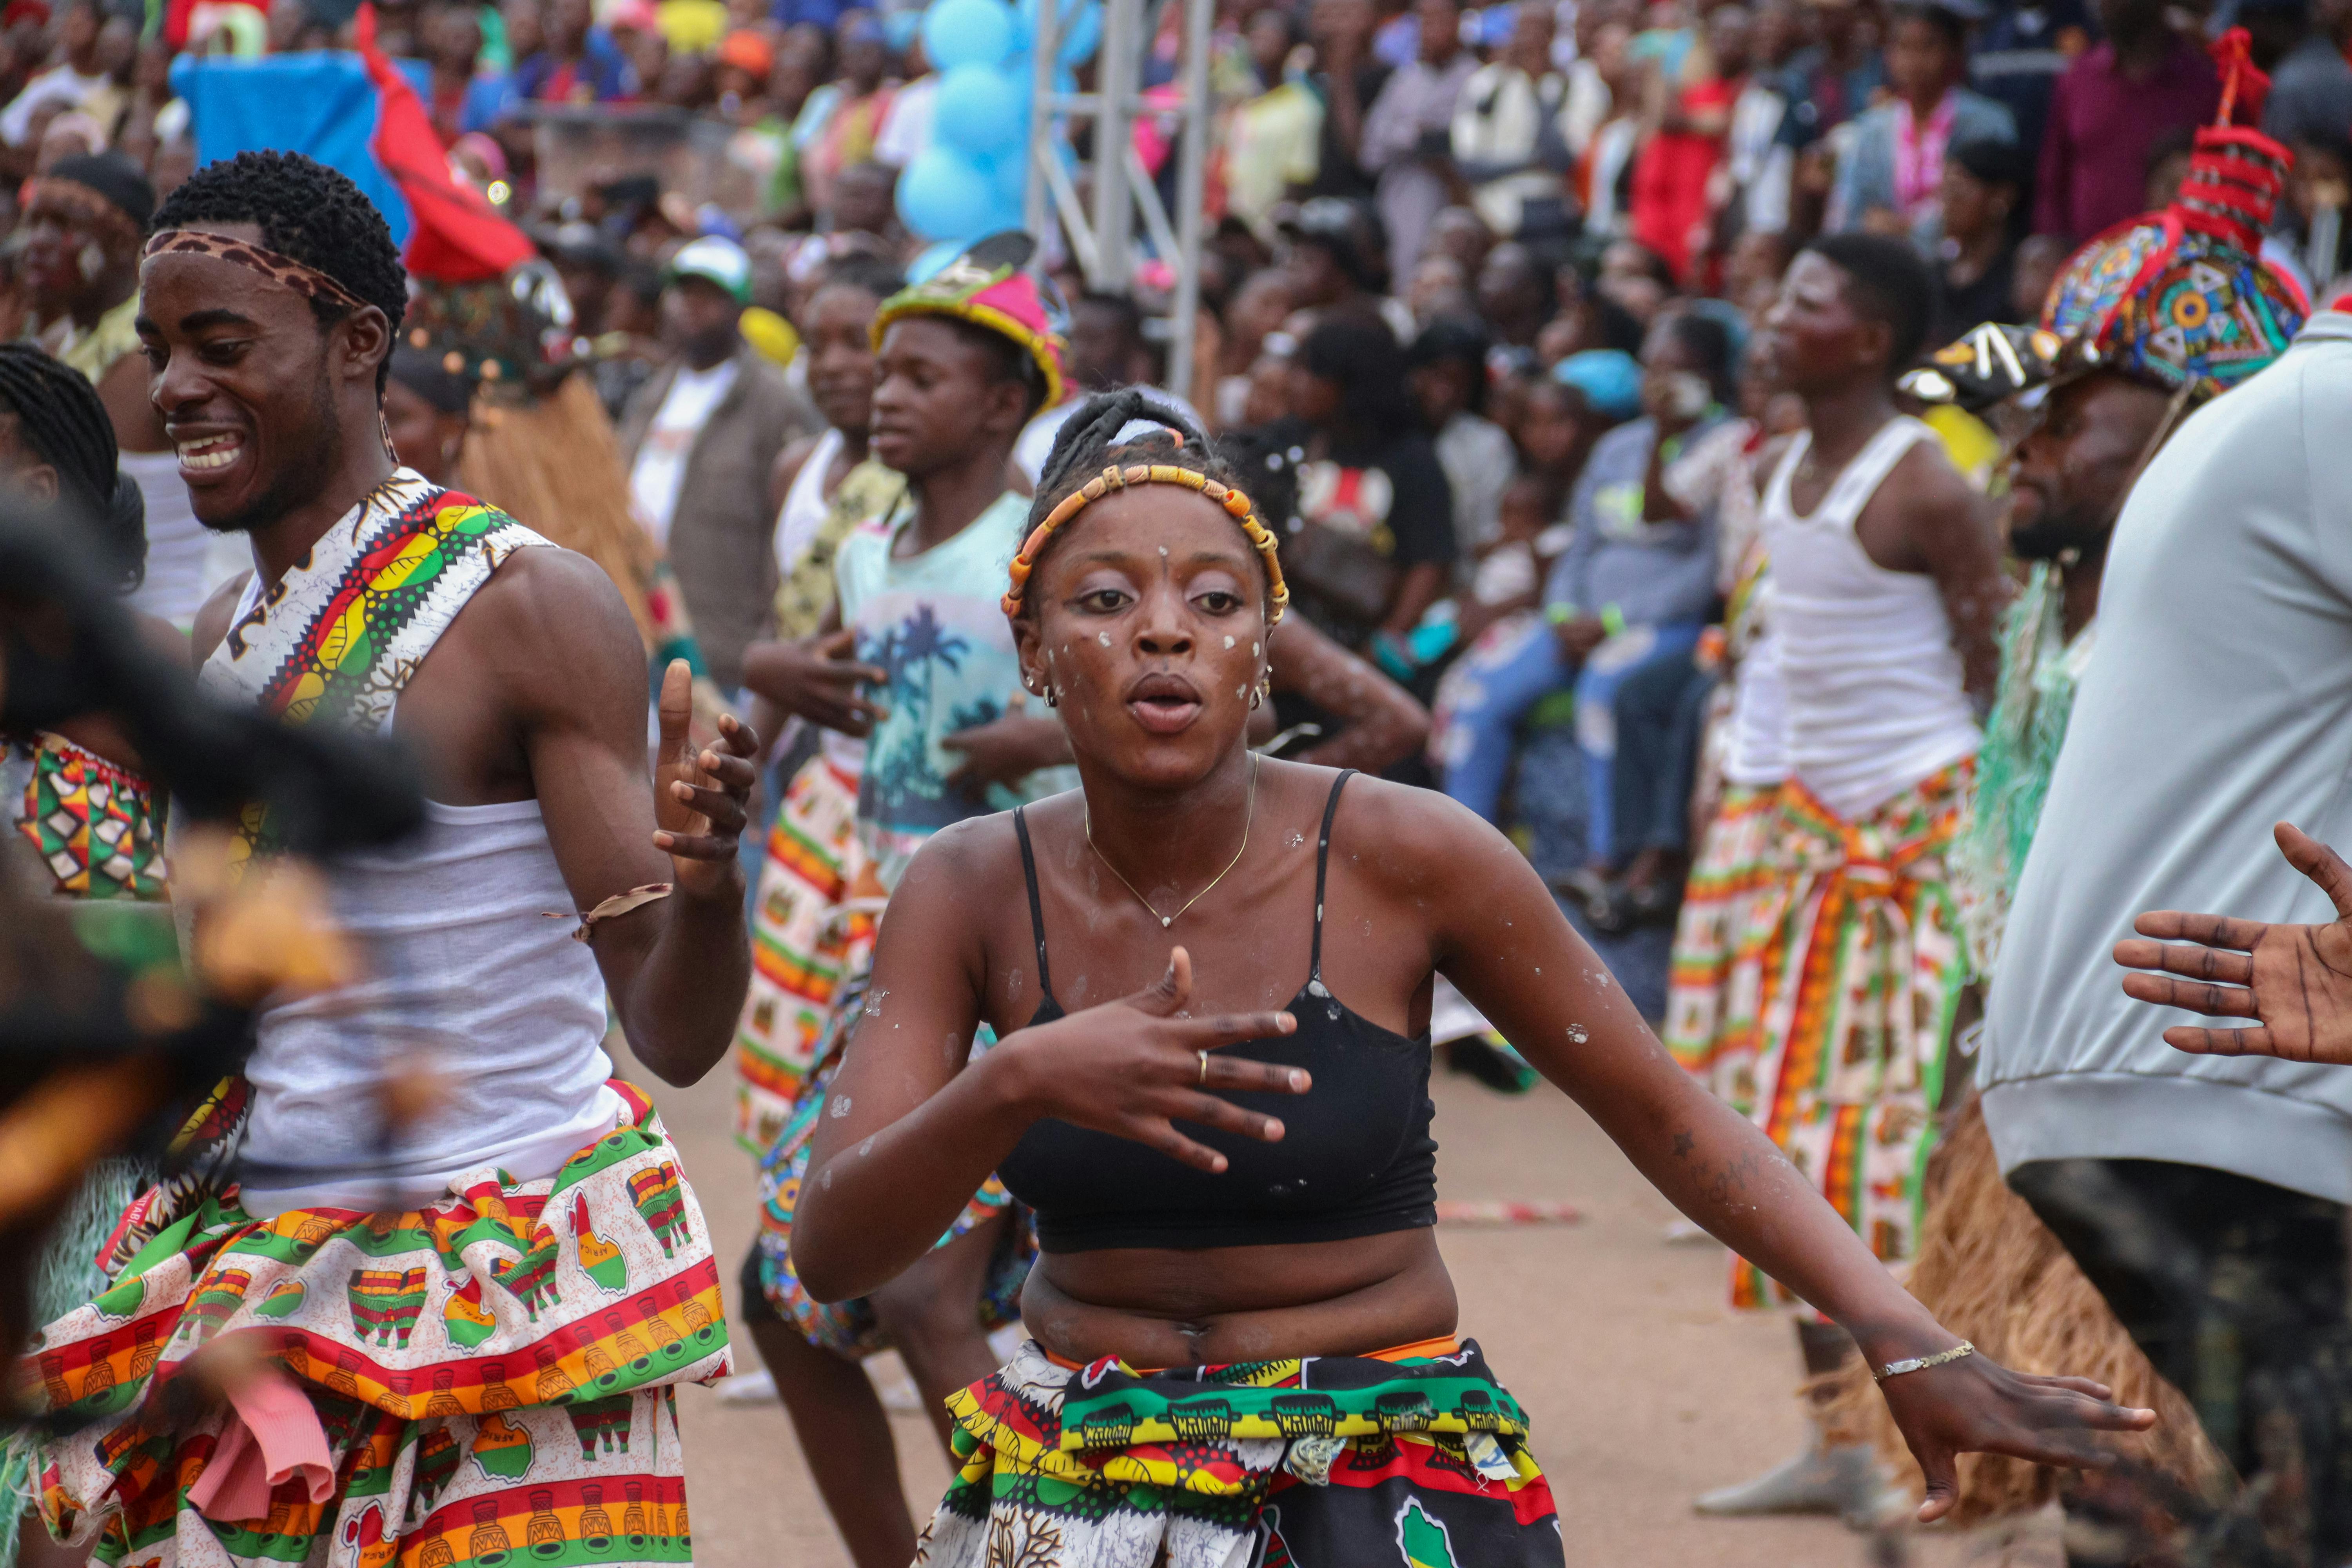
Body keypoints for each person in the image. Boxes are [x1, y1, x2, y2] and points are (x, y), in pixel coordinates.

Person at [779, 384, 2155, 1562]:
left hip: (1380, 1477)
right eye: (1103, 600)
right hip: (1074, 1473)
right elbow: (834, 1248)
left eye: (1214, 600)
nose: (1163, 631)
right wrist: (1016, 1081)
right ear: (1032, 650)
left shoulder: (1411, 856)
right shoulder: (966, 882)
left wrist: (1901, 1336)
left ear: (1262, 651)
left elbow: (1668, 1115)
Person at [16, 147, 759, 1568]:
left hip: (513, 1277)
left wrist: (712, 882)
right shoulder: (229, 633)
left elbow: (669, 1019)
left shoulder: (524, 603)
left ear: (360, 342)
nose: (176, 388)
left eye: (222, 345)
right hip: (282, 1258)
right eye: (159, 350)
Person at [1817, 98, 2312, 1529]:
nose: (2019, 440)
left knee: (2156, 1472)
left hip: (2187, 1114)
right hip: (2043, 1100)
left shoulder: (2238, 640)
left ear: (2188, 425)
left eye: (2065, 404)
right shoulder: (2047, 608)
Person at [1978, 122, 2352, 1559]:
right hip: (2217, 1076)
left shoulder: (2283, 417)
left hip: (2184, 1066)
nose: (2036, 440)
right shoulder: (2325, 416)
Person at [731, 236, 1073, 1568]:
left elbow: (1233, 701)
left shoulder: (1041, 543)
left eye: (923, 376)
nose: (885, 397)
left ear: (1005, 404)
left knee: (928, 1285)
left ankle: (1048, 1546)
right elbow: (793, 691)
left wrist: (1038, 744)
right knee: (783, 1294)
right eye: (882, 373)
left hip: (1030, 946)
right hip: (893, 952)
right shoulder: (869, 546)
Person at [1694, 231, 2010, 1516]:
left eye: (1810, 301)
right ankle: (1835, 1438)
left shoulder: (1928, 483)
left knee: (1885, 1149)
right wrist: (1748, 802)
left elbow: (1998, 681)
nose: (1777, 316)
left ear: (1872, 338)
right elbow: (1779, 660)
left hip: (1909, 847)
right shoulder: (1786, 467)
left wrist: (1988, 867)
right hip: (1795, 841)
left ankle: (1912, 1449)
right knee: (1778, 1140)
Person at [1435, 312, 1730, 867]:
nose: (1662, 386)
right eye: (1654, 371)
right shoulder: (1619, 448)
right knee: (1481, 694)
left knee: (1605, 686)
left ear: (1710, 379)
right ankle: (1461, 851)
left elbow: (1706, 568)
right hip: (1578, 618)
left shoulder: (1725, 448)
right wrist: (1565, 611)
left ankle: (1606, 858)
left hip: (1660, 626)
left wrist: (1616, 622)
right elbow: (1581, 545)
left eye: (1679, 373)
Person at [24, 151, 235, 630]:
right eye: (33, 221)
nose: (37, 241)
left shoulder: (151, 360)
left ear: (123, 245)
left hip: (173, 639)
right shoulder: (65, 348)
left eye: (62, 224)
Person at [621, 234, 822, 695]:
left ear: (739, 307)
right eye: (685, 294)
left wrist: (769, 631)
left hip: (720, 646)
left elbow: (792, 526)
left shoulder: (775, 404)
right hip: (641, 628)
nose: (693, 307)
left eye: (710, 297)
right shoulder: (655, 391)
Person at [1264, 311, 1456, 650]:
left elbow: (1429, 563)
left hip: (1360, 635)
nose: (1296, 383)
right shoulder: (1292, 438)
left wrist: (1382, 647)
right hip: (1285, 626)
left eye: (1312, 373)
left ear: (1350, 383)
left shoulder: (1412, 460)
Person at [2034, 0, 2221, 245]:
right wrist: (2054, 247)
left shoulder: (2205, 85)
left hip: (2177, 264)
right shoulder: (2080, 77)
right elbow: (2053, 180)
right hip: (2089, 264)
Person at [1828, 2, 2016, 242]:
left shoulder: (1988, 123)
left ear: (1954, 53)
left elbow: (1989, 211)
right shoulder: (1871, 128)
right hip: (1886, 259)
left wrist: (1913, 231)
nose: (1914, 61)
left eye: (1928, 47)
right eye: (1904, 47)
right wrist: (1872, 223)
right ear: (1889, 55)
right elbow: (1850, 209)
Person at [1359, 0, 1479, 293]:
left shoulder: (1477, 78)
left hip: (1451, 196)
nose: (1429, 30)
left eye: (1438, 20)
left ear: (1458, 23)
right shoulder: (1405, 80)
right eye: (1423, 21)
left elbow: (1449, 143)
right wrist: (1414, 136)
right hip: (1398, 197)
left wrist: (1410, 136)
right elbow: (1370, 151)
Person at [1448, 0, 1572, 241]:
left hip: (1551, 211)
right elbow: (1469, 166)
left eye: (1541, 31)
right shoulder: (1485, 84)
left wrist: (1538, 88)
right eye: (1524, 30)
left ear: (1555, 35)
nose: (1531, 40)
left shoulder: (1572, 84)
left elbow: (1559, 160)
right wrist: (1531, 161)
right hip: (1492, 210)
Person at [1406, 314, 1516, 562]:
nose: (1444, 393)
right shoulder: (1388, 432)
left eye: (1458, 382)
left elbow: (1485, 534)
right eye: (1436, 377)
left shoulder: (1488, 445)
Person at [1926, 136, 2026, 340]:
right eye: (1944, 193)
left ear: (2002, 198)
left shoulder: (2020, 281)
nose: (1946, 207)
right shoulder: (1936, 273)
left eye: (1958, 193)